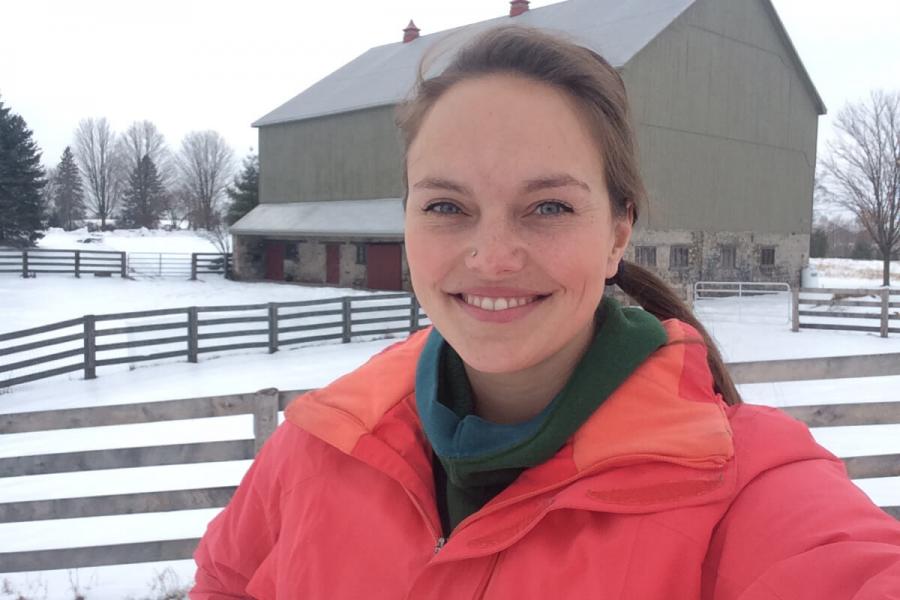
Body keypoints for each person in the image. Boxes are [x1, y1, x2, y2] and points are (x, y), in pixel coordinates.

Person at [191, 27, 900, 599]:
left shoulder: (739, 484)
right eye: (446, 207)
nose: (492, 256)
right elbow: (226, 582)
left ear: (619, 231)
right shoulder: (324, 440)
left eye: (549, 207)